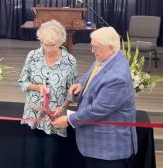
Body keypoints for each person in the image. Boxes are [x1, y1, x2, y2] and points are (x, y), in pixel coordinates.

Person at [52, 26, 138, 168]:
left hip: (109, 150)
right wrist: (80, 85)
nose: (92, 51)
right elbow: (90, 75)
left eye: (95, 47)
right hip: (97, 145)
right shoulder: (107, 58)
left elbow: (97, 110)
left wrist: (68, 120)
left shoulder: (117, 77)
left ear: (110, 47)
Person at [18, 19, 78, 168]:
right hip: (33, 114)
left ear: (61, 42)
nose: (47, 48)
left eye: (52, 45)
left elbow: (73, 92)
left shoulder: (69, 61)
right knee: (34, 158)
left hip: (55, 118)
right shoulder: (33, 56)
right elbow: (22, 82)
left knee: (50, 159)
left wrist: (63, 106)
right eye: (44, 43)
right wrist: (38, 87)